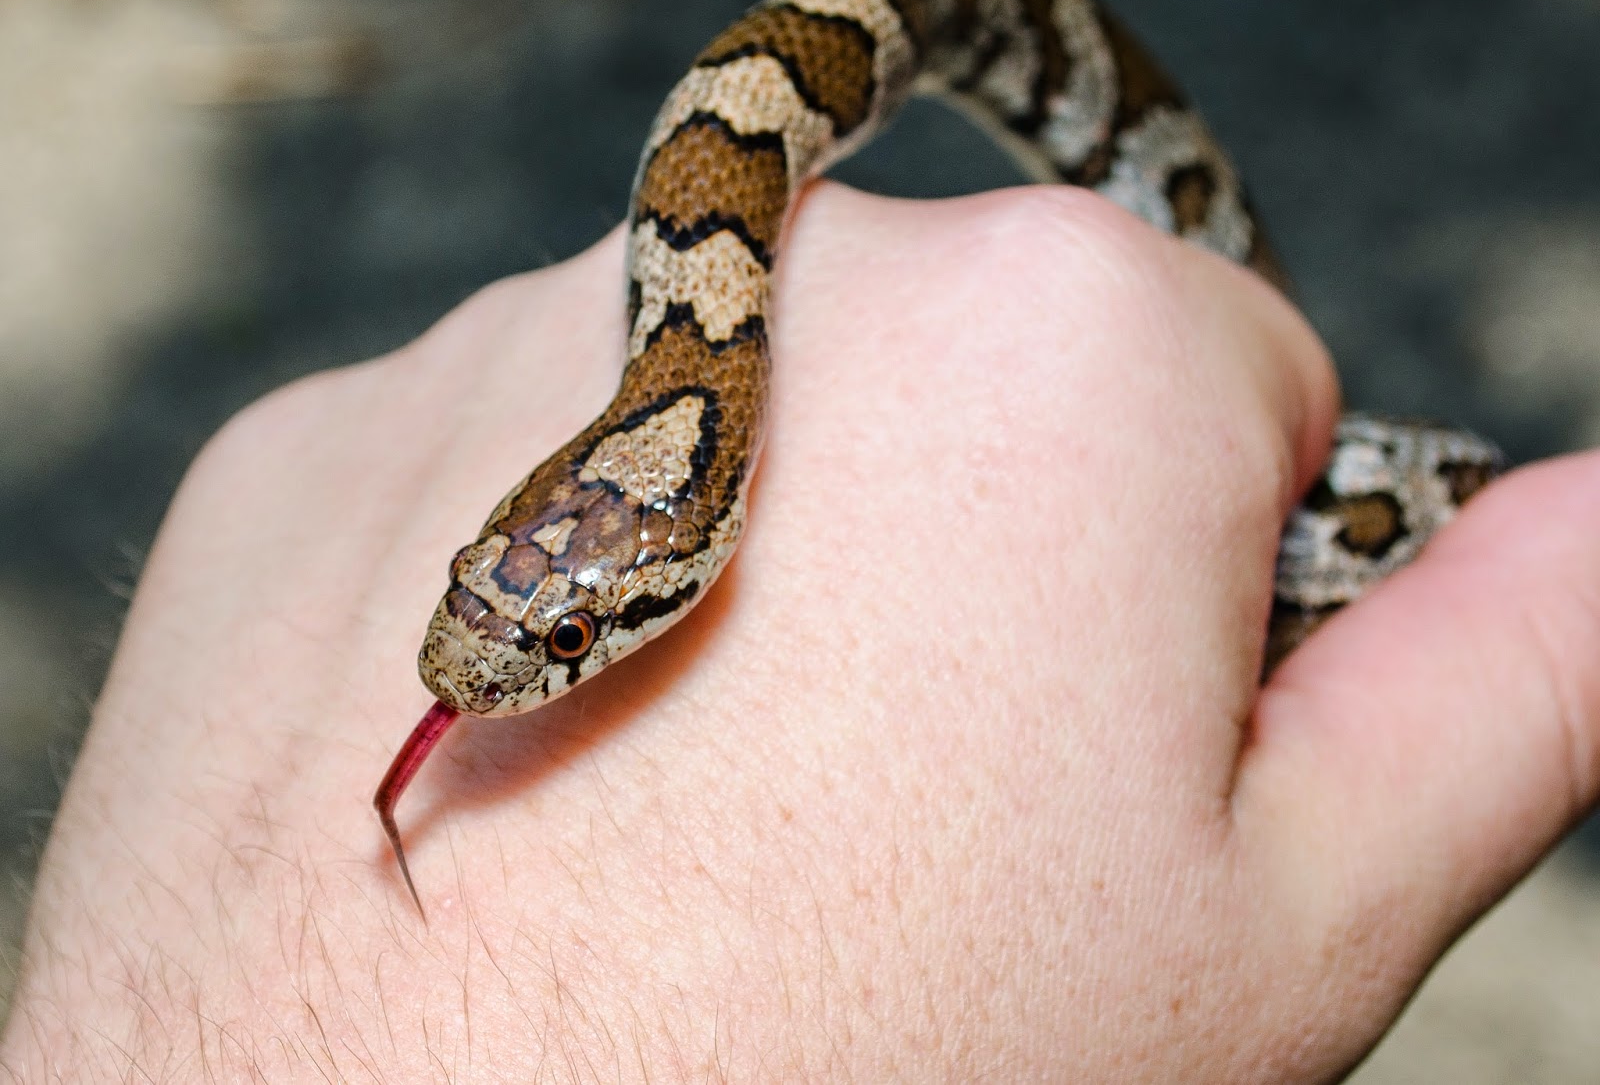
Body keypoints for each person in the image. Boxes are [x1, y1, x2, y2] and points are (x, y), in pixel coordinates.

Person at [4, 185, 1597, 1081]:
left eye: (559, 645)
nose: (480, 674)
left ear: (698, 554)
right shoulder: (648, 470)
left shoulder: (695, 464)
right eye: (502, 603)